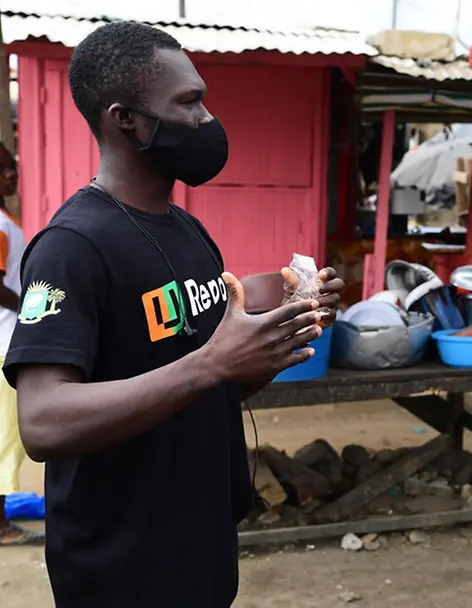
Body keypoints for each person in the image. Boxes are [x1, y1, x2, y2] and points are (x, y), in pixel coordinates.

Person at [2, 22, 343, 607]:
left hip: (200, 544)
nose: (207, 119)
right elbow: (43, 422)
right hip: (120, 565)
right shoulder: (71, 246)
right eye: (188, 103)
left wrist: (277, 340)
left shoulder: (189, 232)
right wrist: (212, 364)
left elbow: (210, 386)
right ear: (125, 118)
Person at [0, 145, 39, 547]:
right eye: (4, 170)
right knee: (6, 435)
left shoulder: (7, 221)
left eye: (13, 168)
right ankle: (1, 526)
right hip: (4, 343)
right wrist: (30, 307)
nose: (12, 175)